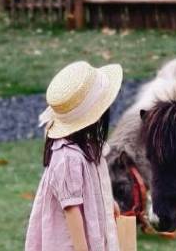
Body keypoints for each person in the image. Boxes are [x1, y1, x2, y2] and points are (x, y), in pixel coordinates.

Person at [25, 61, 123, 251]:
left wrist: (106, 202)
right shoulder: (67, 157)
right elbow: (71, 210)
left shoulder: (83, 146)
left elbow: (89, 186)